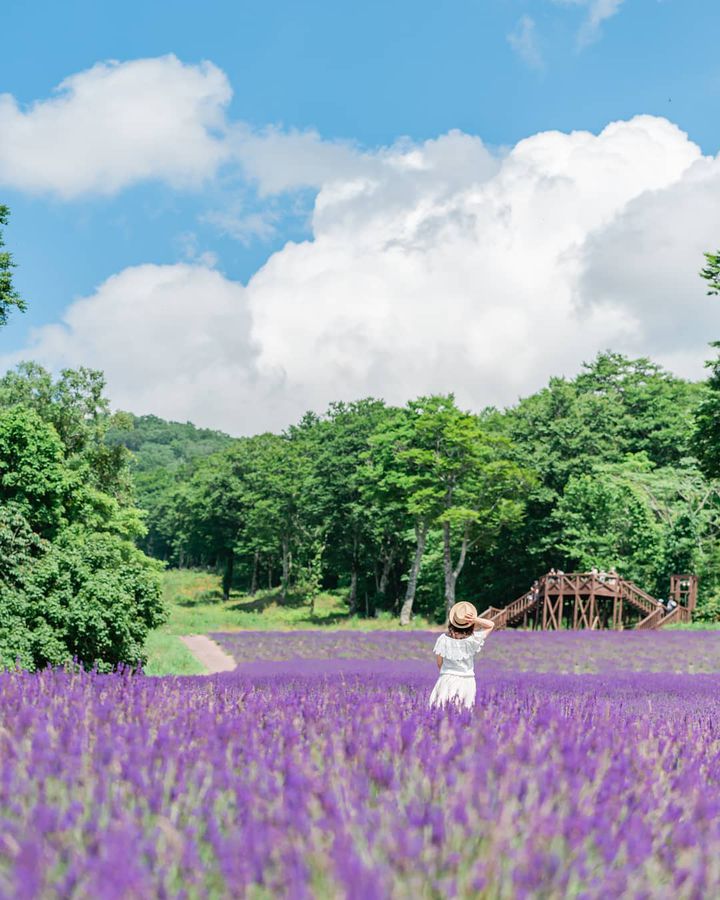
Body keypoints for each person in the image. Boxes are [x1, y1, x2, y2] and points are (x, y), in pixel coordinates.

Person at [429, 601, 495, 710]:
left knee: (441, 712)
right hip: (467, 681)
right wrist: (475, 619)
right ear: (469, 624)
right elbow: (490, 625)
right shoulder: (473, 640)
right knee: (463, 714)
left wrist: (448, 671)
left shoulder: (442, 639)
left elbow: (439, 663)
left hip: (446, 679)